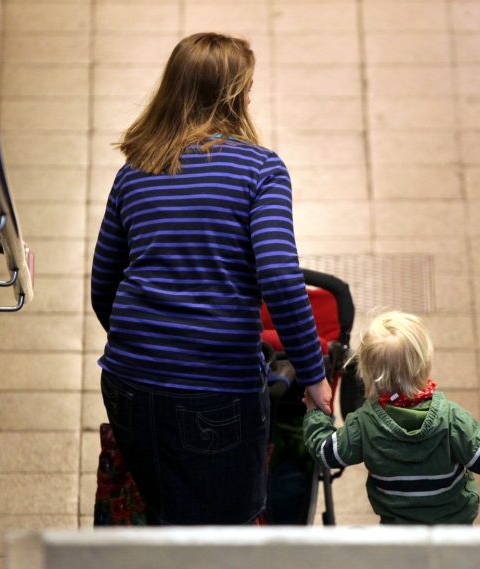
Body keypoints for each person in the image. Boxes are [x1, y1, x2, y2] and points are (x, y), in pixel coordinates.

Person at [90, 32, 332, 525]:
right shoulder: (261, 170)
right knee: (224, 531)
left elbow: (103, 283)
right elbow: (282, 280)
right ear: (237, 95)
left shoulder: (136, 169)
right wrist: (314, 376)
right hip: (215, 389)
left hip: (127, 381)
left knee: (162, 509)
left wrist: (147, 345)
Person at [302, 311, 480, 525]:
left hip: (398, 529)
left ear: (366, 372)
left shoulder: (363, 425)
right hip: (454, 526)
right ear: (425, 366)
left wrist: (316, 412)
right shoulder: (451, 420)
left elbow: (326, 453)